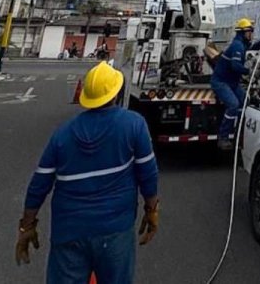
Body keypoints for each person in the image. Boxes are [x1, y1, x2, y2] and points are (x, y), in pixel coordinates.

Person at [16, 61, 160, 284]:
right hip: (115, 231)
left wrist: (27, 225)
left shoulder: (62, 135)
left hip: (69, 232)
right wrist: (152, 210)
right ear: (117, 92)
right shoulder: (134, 125)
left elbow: (39, 185)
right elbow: (148, 175)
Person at [211, 18, 260, 151]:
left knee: (245, 102)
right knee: (233, 105)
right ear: (243, 32)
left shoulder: (241, 44)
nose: (251, 34)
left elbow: (253, 48)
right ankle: (223, 137)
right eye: (249, 31)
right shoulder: (237, 46)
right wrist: (250, 71)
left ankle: (238, 132)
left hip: (231, 82)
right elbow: (235, 66)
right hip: (221, 82)